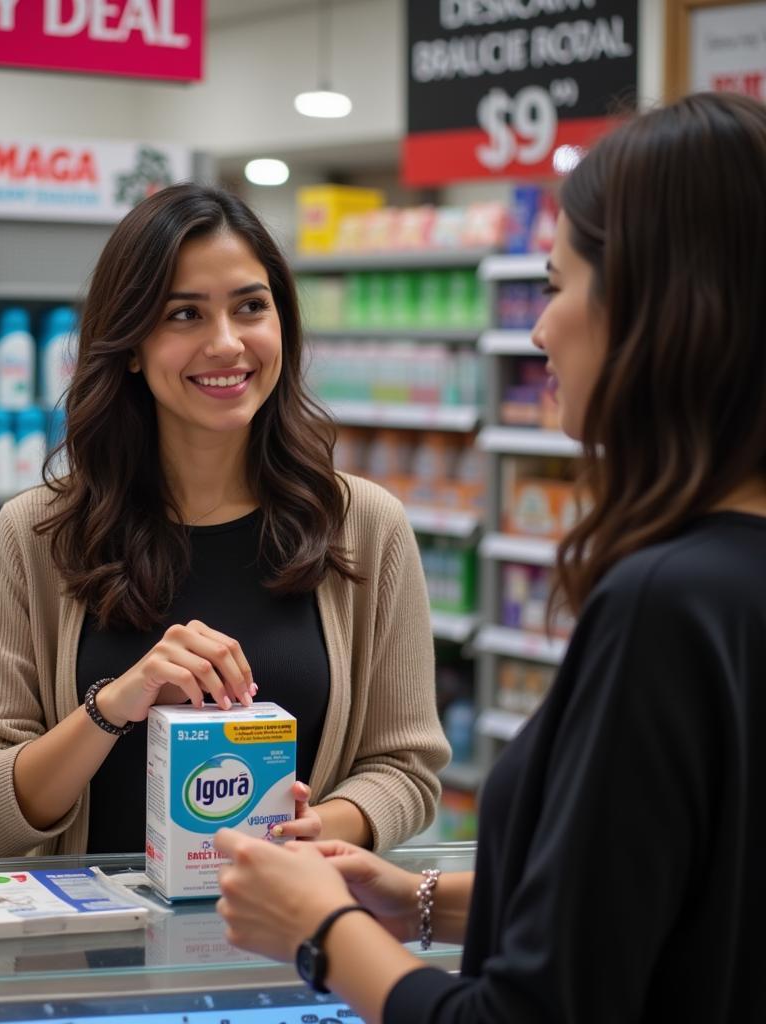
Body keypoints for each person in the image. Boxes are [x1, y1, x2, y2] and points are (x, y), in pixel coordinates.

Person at [214, 91, 766, 1023]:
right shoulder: (728, 579)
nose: (540, 332)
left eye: (556, 286)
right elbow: (669, 902)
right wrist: (416, 900)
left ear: (657, 305)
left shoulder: (663, 606)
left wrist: (321, 930)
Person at [0, 183, 451, 859]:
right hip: (88, 958)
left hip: (291, 944)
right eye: (184, 314)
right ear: (128, 343)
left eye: (250, 307)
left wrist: (319, 831)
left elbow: (406, 769)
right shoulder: (39, 534)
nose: (226, 343)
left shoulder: (363, 525)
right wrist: (114, 705)